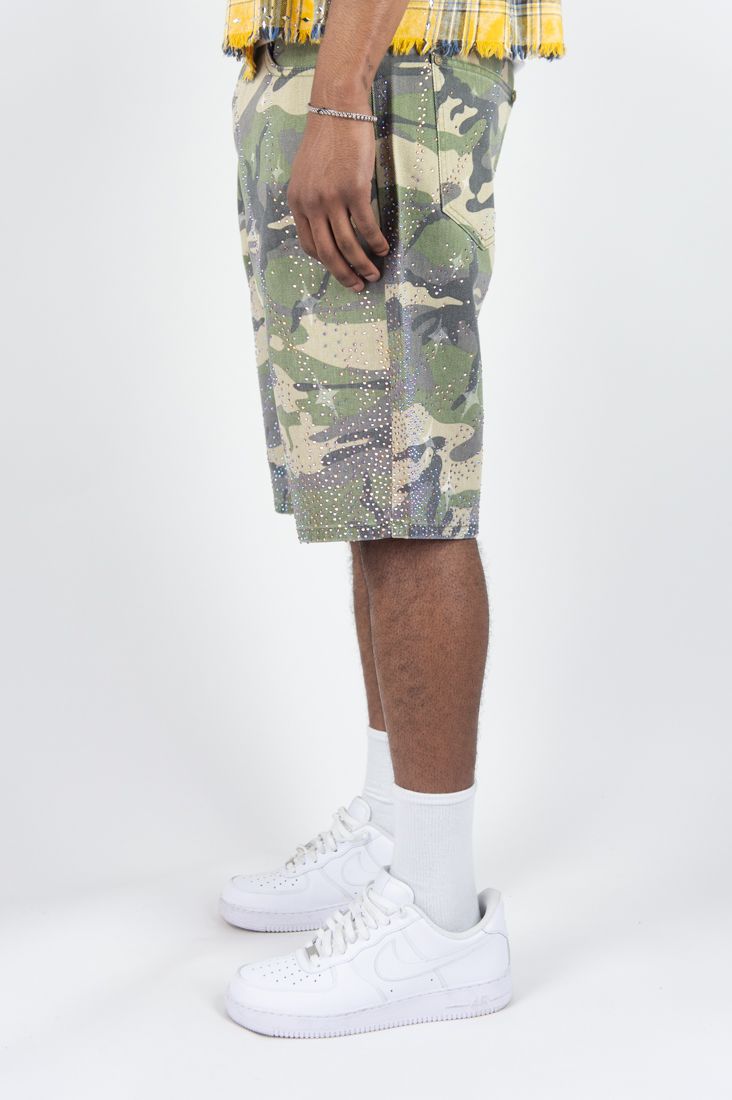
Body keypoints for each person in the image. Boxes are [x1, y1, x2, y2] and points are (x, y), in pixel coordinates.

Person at [220, 0, 564, 1038]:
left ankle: (437, 914)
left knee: (412, 481)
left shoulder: (360, 83)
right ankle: (392, 831)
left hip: (385, 65)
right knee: (371, 470)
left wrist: (341, 91)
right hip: (337, 56)